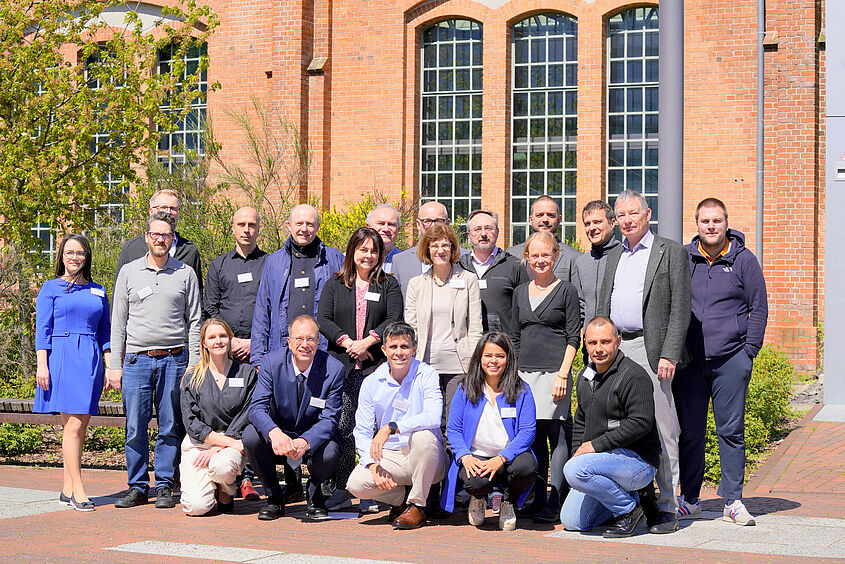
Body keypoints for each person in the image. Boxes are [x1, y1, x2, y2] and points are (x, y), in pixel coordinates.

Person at [596, 189, 691, 533]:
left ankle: (668, 508)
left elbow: (681, 307)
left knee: (663, 431)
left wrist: (670, 352)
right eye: (620, 216)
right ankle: (637, 505)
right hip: (616, 349)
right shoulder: (613, 256)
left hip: (652, 352)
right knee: (622, 429)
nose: (627, 220)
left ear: (647, 214)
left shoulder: (670, 252)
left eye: (633, 213)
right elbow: (602, 307)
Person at [674, 198, 768, 526]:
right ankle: (690, 499)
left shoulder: (743, 260)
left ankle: (732, 500)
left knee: (731, 431)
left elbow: (759, 307)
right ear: (696, 225)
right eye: (705, 221)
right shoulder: (683, 259)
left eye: (716, 221)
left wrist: (748, 352)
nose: (711, 226)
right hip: (691, 363)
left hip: (730, 361)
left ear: (726, 223)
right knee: (691, 433)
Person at [110, 212, 202, 509]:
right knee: (135, 426)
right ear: (147, 238)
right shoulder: (128, 272)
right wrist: (115, 365)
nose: (160, 239)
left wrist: (193, 362)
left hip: (175, 360)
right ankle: (137, 486)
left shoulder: (185, 273)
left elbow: (195, 321)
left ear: (172, 239)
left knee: (169, 425)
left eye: (166, 235)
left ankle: (164, 485)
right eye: (155, 235)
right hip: (136, 361)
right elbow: (118, 322)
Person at [317, 226, 404, 512]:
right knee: (343, 427)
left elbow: (394, 317)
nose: (368, 255)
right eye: (363, 249)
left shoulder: (388, 284)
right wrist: (348, 343)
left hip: (376, 367)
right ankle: (341, 488)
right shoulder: (335, 284)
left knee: (376, 427)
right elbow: (324, 319)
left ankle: (374, 488)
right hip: (342, 367)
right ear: (352, 251)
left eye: (374, 250)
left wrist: (367, 341)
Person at [560, 317, 661, 538]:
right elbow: (580, 420)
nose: (598, 349)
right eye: (592, 343)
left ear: (618, 341)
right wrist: (578, 452)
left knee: (575, 470)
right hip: (601, 462)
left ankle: (629, 510)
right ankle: (632, 499)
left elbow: (641, 423)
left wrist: (594, 446)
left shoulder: (634, 376)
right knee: (573, 521)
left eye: (605, 342)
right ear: (584, 343)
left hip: (638, 461)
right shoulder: (586, 376)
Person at [34, 234, 111, 512]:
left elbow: (106, 332)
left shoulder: (98, 290)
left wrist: (108, 364)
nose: (74, 257)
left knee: (82, 425)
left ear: (86, 256)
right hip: (62, 355)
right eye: (69, 252)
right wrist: (42, 364)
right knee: (73, 425)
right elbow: (41, 329)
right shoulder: (50, 288)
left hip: (90, 356)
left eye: (79, 253)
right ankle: (79, 489)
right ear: (61, 256)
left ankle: (66, 488)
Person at [345, 322, 448, 529]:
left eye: (405, 347)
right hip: (392, 456)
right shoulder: (372, 382)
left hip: (427, 458)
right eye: (393, 347)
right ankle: (402, 500)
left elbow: (434, 417)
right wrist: (372, 465)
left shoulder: (427, 374)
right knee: (356, 483)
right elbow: (363, 431)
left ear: (414, 349)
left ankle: (417, 505)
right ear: (384, 349)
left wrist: (392, 427)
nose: (399, 353)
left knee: (423, 436)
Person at [243, 316, 345, 520]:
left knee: (331, 450)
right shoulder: (271, 363)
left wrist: (305, 441)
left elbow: (330, 419)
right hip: (280, 434)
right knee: (251, 436)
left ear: (319, 342)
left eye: (311, 339)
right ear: (288, 342)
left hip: (313, 436)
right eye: (299, 339)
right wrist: (274, 433)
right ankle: (273, 498)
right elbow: (256, 408)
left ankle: (315, 497)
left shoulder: (334, 369)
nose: (304, 345)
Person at [511, 231, 580, 523]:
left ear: (556, 256)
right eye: (534, 255)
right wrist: (512, 377)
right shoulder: (519, 292)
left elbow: (573, 336)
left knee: (557, 436)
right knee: (534, 438)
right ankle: (538, 499)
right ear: (527, 258)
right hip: (524, 374)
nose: (540, 260)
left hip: (555, 374)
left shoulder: (566, 291)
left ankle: (556, 501)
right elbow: (513, 336)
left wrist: (563, 374)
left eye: (545, 255)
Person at [203, 206, 268, 500]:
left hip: (257, 353)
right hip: (223, 354)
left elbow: (273, 308)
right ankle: (227, 473)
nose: (246, 230)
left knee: (254, 412)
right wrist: (228, 343)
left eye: (252, 224)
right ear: (232, 227)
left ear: (258, 228)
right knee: (225, 411)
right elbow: (211, 310)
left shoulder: (270, 263)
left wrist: (253, 342)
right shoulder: (218, 266)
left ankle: (249, 478)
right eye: (241, 224)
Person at [442, 332, 537, 531]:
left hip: (509, 458)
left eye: (500, 356)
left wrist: (502, 457)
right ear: (480, 358)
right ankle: (477, 499)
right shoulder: (464, 388)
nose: (493, 361)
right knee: (475, 482)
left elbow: (527, 432)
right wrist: (466, 457)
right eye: (488, 355)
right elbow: (453, 430)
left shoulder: (522, 390)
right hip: (476, 457)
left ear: (508, 359)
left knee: (527, 467)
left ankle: (508, 502)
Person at [179, 319, 257, 516]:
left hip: (232, 442)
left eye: (223, 336)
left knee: (222, 467)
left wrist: (220, 447)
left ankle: (226, 489)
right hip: (198, 445)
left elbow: (248, 413)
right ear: (204, 343)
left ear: (230, 339)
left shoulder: (246, 373)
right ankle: (208, 482)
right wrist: (215, 445)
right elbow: (191, 422)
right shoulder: (192, 377)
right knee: (195, 508)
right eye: (212, 337)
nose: (218, 341)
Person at [251, 204, 344, 366]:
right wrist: (258, 357)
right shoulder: (274, 262)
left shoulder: (335, 260)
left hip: (323, 351)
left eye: (309, 224)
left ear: (318, 227)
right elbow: (262, 310)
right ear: (289, 226)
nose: (304, 229)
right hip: (282, 351)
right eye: (299, 223)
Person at [405, 223, 482, 417]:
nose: (440, 250)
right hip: (425, 362)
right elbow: (411, 326)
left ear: (453, 249)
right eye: (435, 246)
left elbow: (474, 326)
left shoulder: (468, 280)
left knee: (453, 417)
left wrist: (473, 361)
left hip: (459, 362)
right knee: (430, 417)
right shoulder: (416, 284)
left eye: (445, 245)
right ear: (427, 250)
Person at [457, 210, 528, 338]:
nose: (483, 234)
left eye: (488, 228)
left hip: (503, 347)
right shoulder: (458, 267)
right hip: (465, 347)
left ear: (497, 232)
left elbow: (525, 312)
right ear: (469, 234)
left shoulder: (514, 266)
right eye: (477, 229)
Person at [115, 189, 203, 292]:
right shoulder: (132, 248)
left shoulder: (189, 251)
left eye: (173, 208)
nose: (168, 212)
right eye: (164, 207)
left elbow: (197, 295)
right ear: (151, 211)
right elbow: (120, 292)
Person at [391, 201, 469, 296]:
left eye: (439, 221)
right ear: (418, 224)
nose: (433, 226)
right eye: (427, 221)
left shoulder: (466, 258)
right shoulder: (400, 261)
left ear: (447, 223)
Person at [506, 195, 581, 285]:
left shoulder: (574, 257)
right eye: (539, 215)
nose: (545, 219)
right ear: (531, 220)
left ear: (559, 220)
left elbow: (578, 297)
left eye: (551, 215)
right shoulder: (512, 254)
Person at [573, 200, 620, 328]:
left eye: (597, 222)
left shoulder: (624, 257)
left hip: (619, 341)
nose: (592, 228)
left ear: (612, 223)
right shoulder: (581, 262)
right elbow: (580, 305)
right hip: (590, 342)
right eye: (587, 224)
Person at [366, 203, 403, 273]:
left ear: (398, 229)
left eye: (391, 224)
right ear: (368, 227)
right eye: (381, 223)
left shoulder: (406, 261)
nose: (386, 229)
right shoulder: (349, 260)